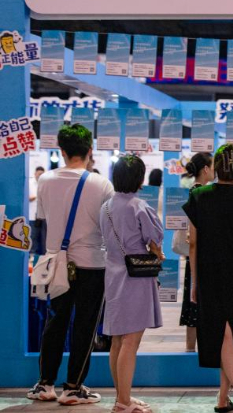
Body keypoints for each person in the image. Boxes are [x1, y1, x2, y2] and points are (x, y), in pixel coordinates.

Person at [28, 124, 115, 405]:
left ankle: (45, 384)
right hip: (92, 263)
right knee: (86, 325)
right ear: (90, 151)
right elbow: (108, 225)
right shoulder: (102, 183)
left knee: (55, 321)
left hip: (57, 263)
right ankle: (74, 387)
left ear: (61, 151)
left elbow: (42, 217)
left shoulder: (46, 181)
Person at [183, 144, 233, 413]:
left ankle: (222, 397)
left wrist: (195, 282)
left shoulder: (199, 196)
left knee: (222, 333)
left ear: (215, 168)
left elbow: (192, 244)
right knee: (230, 333)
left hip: (208, 272)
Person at [100, 155, 165, 413]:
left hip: (114, 276)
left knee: (118, 340)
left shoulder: (105, 206)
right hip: (136, 278)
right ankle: (124, 402)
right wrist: (157, 252)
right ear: (139, 178)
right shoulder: (139, 206)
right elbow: (155, 238)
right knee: (131, 341)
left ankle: (121, 396)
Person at [175, 153, 213, 353]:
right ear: (205, 169)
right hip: (200, 256)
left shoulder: (193, 191)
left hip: (194, 256)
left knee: (192, 308)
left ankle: (190, 350)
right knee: (198, 305)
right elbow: (196, 236)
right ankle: (196, 350)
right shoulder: (202, 193)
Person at [29, 166, 45, 256]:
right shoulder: (30, 183)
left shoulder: (45, 184)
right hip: (32, 215)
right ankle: (31, 255)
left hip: (42, 215)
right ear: (35, 174)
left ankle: (40, 256)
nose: (40, 176)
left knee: (42, 237)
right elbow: (28, 197)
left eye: (42, 174)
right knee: (32, 236)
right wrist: (37, 196)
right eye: (39, 174)